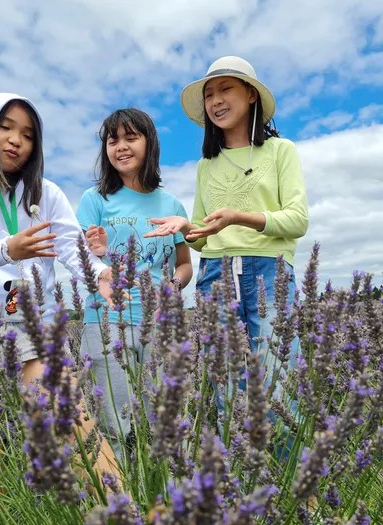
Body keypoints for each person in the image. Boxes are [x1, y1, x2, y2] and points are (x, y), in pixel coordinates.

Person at [0, 92, 119, 472]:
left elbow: (70, 246)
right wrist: (6, 250)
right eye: (6, 127)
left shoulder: (45, 192)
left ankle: (121, 509)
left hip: (32, 322)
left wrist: (99, 273)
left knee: (75, 429)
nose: (16, 140)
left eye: (28, 134)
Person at [146, 56, 308, 447]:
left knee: (278, 382)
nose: (216, 100)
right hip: (215, 275)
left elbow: (297, 220)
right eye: (209, 95)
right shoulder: (207, 165)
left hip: (270, 273)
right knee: (227, 388)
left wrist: (239, 217)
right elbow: (202, 236)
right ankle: (238, 492)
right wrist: (188, 229)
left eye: (225, 89)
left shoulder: (280, 151)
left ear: (251, 95)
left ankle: (297, 495)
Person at [76, 108, 193, 455]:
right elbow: (83, 258)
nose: (121, 147)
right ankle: (122, 501)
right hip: (107, 322)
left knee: (162, 418)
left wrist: (174, 286)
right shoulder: (94, 199)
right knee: (115, 422)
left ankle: (163, 498)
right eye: (113, 141)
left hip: (158, 322)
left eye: (131, 138)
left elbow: (184, 264)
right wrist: (95, 251)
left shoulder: (170, 203)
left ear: (149, 142)